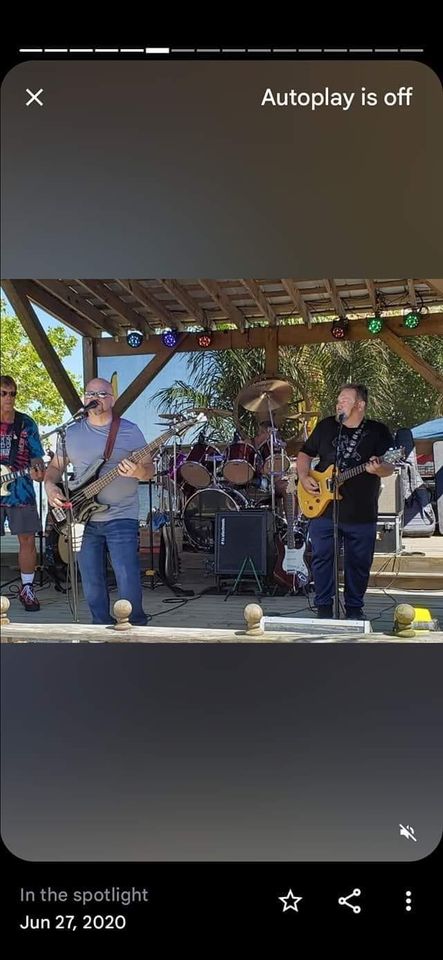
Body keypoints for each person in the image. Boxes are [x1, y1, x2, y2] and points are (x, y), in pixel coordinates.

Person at [44, 378, 154, 625]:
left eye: (101, 393)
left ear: (112, 399)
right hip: (82, 518)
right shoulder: (70, 433)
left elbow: (149, 469)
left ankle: (135, 626)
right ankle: (100, 629)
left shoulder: (129, 430)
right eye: (90, 393)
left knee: (127, 576)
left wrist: (137, 472)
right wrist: (50, 486)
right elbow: (54, 469)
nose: (95, 397)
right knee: (91, 578)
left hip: (121, 515)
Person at [297, 384, 395, 619]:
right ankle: (323, 608)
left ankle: (354, 609)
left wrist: (378, 468)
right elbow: (304, 454)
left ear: (360, 405)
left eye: (345, 400)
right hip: (323, 508)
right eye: (338, 399)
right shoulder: (326, 426)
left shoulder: (377, 431)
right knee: (321, 558)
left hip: (361, 511)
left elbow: (389, 467)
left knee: (358, 563)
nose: (338, 403)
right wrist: (303, 476)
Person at [0, 375, 45, 611]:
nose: (9, 398)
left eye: (12, 393)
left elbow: (37, 455)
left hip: (21, 490)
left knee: (27, 539)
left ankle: (27, 588)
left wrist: (38, 469)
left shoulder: (26, 423)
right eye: (3, 393)